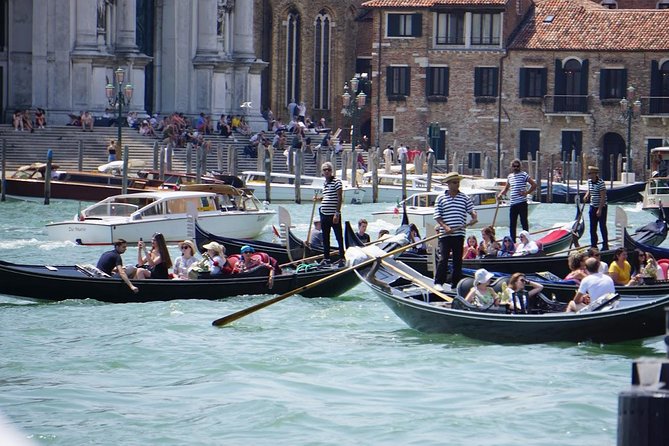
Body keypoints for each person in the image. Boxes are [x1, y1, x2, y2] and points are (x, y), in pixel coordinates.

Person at [433, 171, 478, 291]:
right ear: (448, 184)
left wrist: (474, 217)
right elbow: (437, 215)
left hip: (459, 234)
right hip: (445, 234)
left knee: (458, 260)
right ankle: (438, 282)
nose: (457, 184)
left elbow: (471, 210)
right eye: (454, 182)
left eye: (458, 182)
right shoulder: (440, 198)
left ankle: (455, 285)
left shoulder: (464, 197)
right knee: (443, 259)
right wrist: (445, 227)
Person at [497, 159, 537, 242]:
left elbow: (534, 185)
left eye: (517, 166)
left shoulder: (524, 175)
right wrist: (500, 194)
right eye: (514, 166)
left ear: (520, 167)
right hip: (513, 204)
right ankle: (513, 242)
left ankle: (527, 240)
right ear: (512, 167)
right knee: (512, 224)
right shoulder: (510, 176)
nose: (516, 167)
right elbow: (506, 189)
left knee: (524, 222)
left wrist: (526, 192)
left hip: (522, 202)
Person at [317, 161, 344, 264]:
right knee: (325, 237)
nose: (327, 171)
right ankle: (327, 258)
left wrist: (337, 213)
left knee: (338, 237)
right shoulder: (325, 183)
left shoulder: (337, 182)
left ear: (332, 171)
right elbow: (327, 197)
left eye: (328, 169)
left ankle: (342, 257)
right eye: (325, 170)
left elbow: (339, 197)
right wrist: (319, 199)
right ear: (322, 172)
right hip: (324, 214)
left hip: (333, 215)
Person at [583, 165, 608, 250]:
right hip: (592, 206)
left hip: (602, 207)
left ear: (594, 174)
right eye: (588, 173)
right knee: (592, 228)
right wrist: (586, 195)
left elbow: (603, 197)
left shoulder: (601, 183)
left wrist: (600, 209)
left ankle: (605, 245)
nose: (588, 175)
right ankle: (594, 245)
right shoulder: (589, 181)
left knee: (602, 227)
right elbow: (589, 190)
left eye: (589, 173)